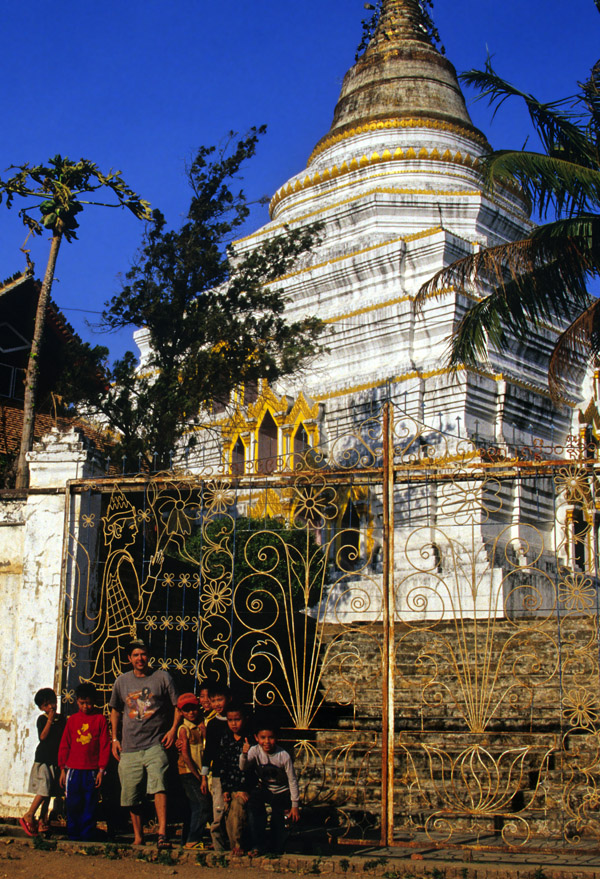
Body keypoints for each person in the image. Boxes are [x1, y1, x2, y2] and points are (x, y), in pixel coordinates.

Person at [109, 639, 179, 850]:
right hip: (129, 747)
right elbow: (114, 709)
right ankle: (138, 836)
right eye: (136, 655)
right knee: (131, 793)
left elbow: (178, 705)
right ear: (129, 659)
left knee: (160, 785)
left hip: (155, 744)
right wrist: (114, 739)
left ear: (148, 656)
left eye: (143, 654)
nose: (140, 658)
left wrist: (173, 729)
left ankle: (162, 833)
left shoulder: (162, 677)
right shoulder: (122, 681)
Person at [58, 682, 111, 840]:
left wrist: (102, 770)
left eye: (88, 703)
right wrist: (62, 769)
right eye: (82, 703)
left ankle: (87, 834)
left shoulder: (100, 719)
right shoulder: (72, 720)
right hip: (73, 770)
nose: (86, 706)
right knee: (73, 803)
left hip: (92, 770)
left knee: (90, 803)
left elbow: (104, 746)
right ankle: (73, 833)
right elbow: (64, 745)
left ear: (94, 701)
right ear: (77, 702)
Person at [240, 720, 300, 855]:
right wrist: (244, 754)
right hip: (265, 789)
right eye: (263, 738)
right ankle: (257, 845)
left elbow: (292, 780)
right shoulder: (255, 750)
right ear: (256, 738)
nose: (267, 741)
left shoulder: (283, 755)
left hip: (282, 791)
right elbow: (243, 767)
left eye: (270, 737)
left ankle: (275, 848)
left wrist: (294, 805)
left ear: (276, 738)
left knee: (278, 821)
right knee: (254, 809)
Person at [20, 688, 66, 837]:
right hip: (44, 759)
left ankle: (42, 820)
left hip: (55, 761)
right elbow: (43, 737)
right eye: (46, 705)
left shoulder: (62, 720)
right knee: (43, 789)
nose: (50, 707)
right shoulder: (42, 719)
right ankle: (29, 814)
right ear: (41, 708)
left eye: (52, 702)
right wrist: (50, 720)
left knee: (49, 793)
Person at [176, 693, 211, 849]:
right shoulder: (184, 729)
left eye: (193, 709)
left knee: (196, 806)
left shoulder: (200, 725)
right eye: (187, 710)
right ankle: (193, 839)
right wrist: (198, 775)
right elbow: (185, 755)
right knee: (202, 805)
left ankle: (188, 839)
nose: (191, 713)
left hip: (198, 771)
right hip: (189, 773)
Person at [200, 683, 231, 851]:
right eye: (214, 701)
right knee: (218, 810)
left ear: (229, 699)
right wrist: (204, 777)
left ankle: (235, 844)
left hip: (236, 774)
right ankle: (219, 847)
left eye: (220, 700)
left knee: (234, 811)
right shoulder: (212, 724)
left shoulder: (237, 720)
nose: (217, 704)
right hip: (218, 774)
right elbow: (209, 752)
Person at [218, 701, 251, 856]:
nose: (234, 723)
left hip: (244, 789)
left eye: (237, 719)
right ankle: (231, 845)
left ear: (244, 719)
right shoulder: (225, 739)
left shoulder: (249, 740)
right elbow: (223, 765)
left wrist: (244, 790)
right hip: (230, 787)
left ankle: (237, 845)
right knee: (228, 816)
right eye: (230, 720)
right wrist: (225, 789)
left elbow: (252, 769)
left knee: (238, 813)